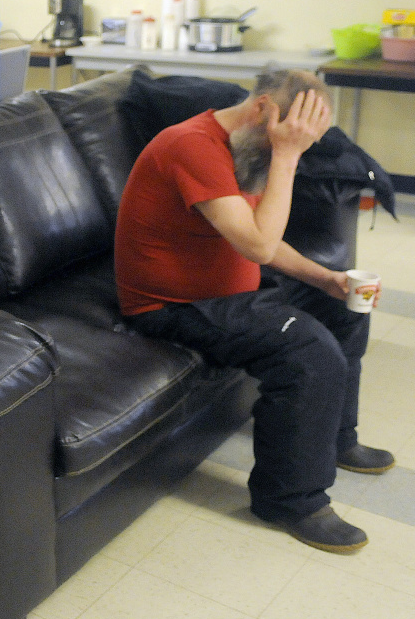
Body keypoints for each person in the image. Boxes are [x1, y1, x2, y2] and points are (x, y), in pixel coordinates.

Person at [114, 68, 395, 554]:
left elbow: (261, 236)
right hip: (174, 304)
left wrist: (325, 279)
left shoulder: (245, 147)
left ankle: (337, 438)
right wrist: (287, 156)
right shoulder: (193, 146)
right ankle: (289, 501)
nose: (295, 147)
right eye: (291, 133)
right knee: (308, 350)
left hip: (233, 289)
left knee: (346, 307)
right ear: (263, 108)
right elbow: (260, 247)